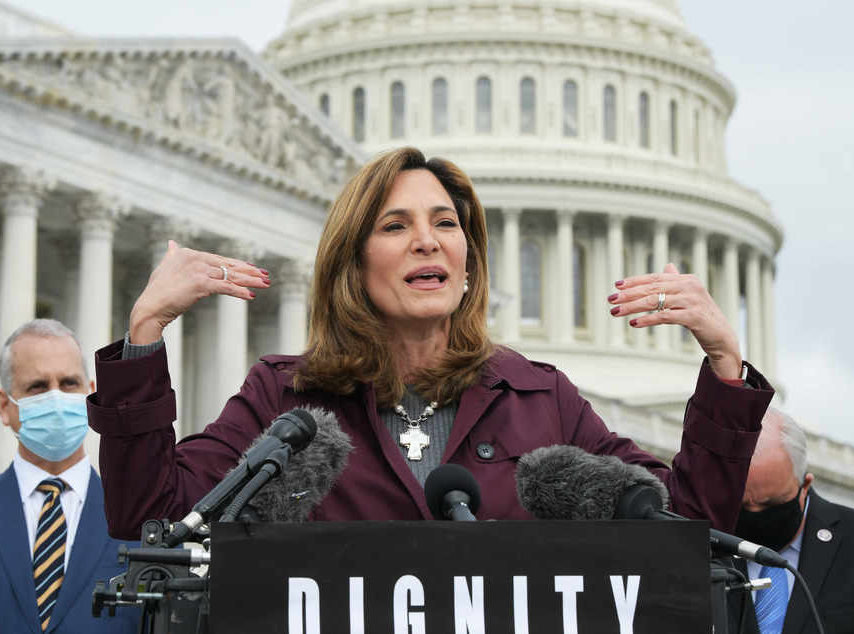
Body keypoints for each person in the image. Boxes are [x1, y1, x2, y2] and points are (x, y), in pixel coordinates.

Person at [87, 146, 774, 540]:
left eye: (445, 223)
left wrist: (723, 370)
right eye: (395, 225)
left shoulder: (539, 398)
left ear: (466, 261)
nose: (427, 239)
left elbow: (681, 529)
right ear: (352, 264)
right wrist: (143, 340)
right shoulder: (284, 396)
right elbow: (153, 517)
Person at [0, 319, 139, 632]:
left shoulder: (142, 526)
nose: (56, 399)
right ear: (4, 406)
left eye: (69, 383)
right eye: (37, 387)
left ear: (91, 396)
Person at [728, 407, 854, 633]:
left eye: (772, 503)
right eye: (742, 505)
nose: (756, 514)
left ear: (805, 486)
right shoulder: (699, 545)